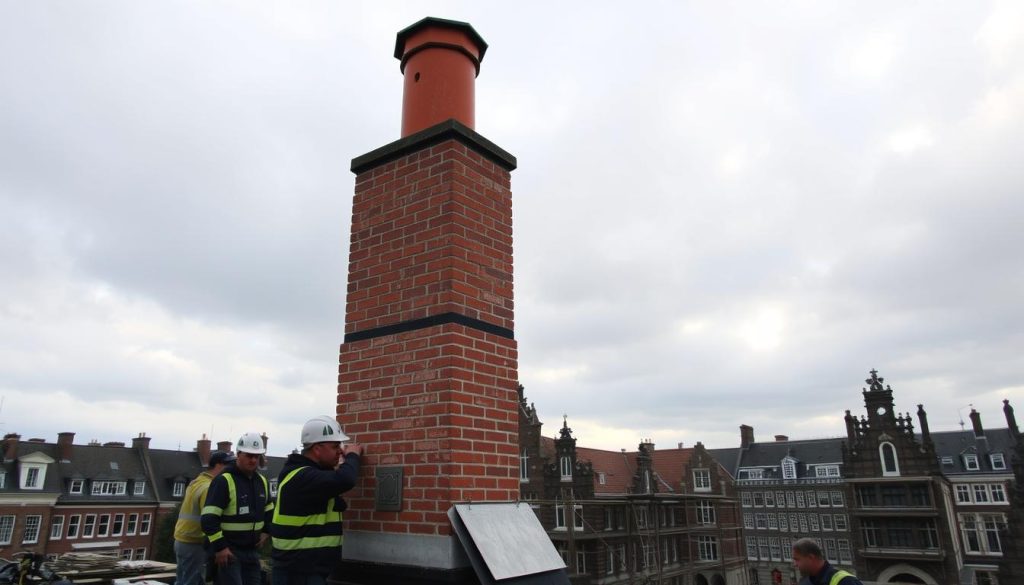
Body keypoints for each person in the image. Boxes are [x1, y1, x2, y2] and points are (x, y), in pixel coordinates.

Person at [270, 415, 364, 585]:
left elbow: (338, 504)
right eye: (335, 446)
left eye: (341, 447)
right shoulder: (303, 476)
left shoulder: (308, 475)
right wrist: (352, 456)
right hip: (298, 573)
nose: (341, 451)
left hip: (308, 569)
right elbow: (346, 480)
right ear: (317, 449)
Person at [202, 432, 274, 585]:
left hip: (251, 551)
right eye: (249, 455)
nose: (253, 460)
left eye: (257, 456)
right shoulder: (224, 481)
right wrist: (220, 548)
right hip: (229, 551)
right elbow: (208, 519)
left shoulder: (262, 481)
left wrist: (267, 531)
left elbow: (269, 510)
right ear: (238, 454)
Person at [174, 451, 234, 585]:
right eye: (228, 465)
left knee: (182, 580)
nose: (231, 469)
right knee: (192, 581)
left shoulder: (196, 482)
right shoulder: (209, 487)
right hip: (195, 541)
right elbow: (210, 518)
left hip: (182, 539)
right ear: (218, 465)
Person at [792, 538, 863, 585]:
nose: (795, 564)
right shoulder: (805, 582)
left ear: (810, 557)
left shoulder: (846, 581)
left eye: (797, 559)